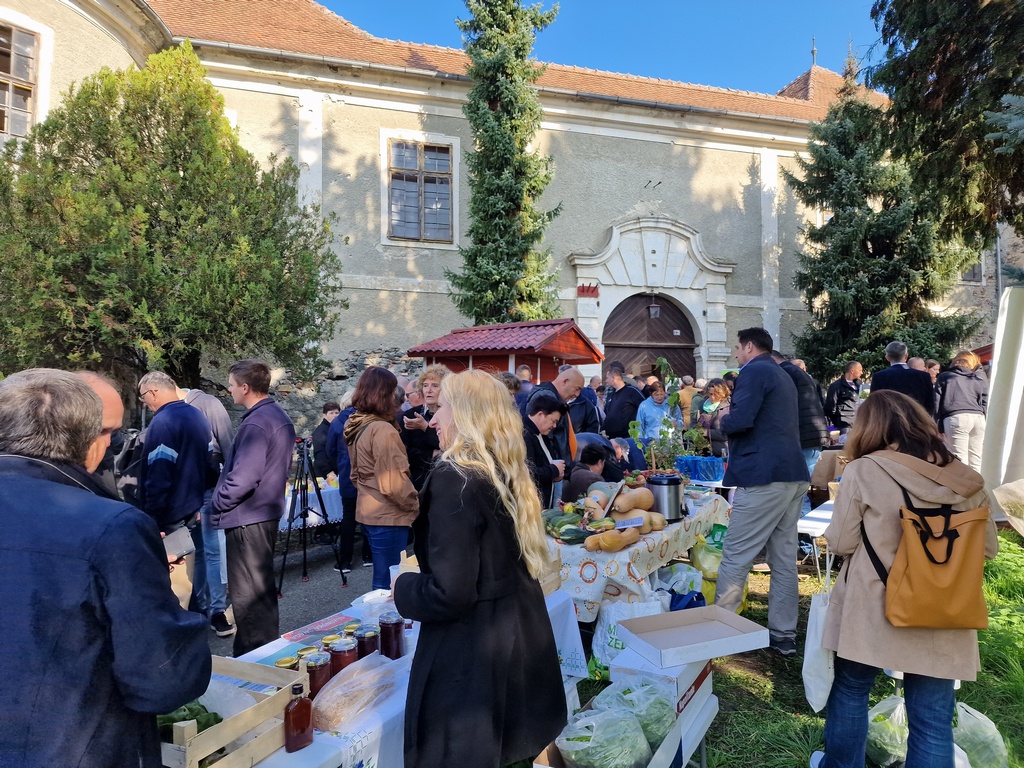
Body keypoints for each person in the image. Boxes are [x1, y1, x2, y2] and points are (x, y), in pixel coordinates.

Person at [0, 369, 211, 767]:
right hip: (78, 749)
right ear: (89, 440)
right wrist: (158, 592)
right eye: (108, 433)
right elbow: (164, 682)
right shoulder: (112, 527)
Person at [813, 390, 998, 768]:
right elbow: (988, 549)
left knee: (851, 690)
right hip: (944, 606)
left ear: (868, 428)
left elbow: (842, 542)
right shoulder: (966, 478)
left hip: (873, 603)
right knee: (932, 717)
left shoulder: (864, 470)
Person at [393, 370, 567, 767]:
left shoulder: (456, 478)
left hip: (472, 651)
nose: (434, 420)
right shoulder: (501, 468)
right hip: (516, 634)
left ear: (466, 415)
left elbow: (452, 592)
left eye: (441, 408)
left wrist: (404, 587)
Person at [715, 328, 809, 656]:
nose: (735, 353)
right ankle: (783, 635)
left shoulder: (754, 372)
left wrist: (722, 418)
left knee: (736, 554)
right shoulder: (783, 373)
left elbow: (741, 420)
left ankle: (723, 633)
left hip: (764, 476)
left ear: (750, 347)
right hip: (792, 473)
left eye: (737, 347)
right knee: (783, 559)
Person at [211, 359, 296, 656]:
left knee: (248, 597)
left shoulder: (257, 422)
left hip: (248, 517)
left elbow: (244, 477)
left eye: (232, 385)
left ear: (245, 387)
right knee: (259, 591)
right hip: (261, 514)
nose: (230, 390)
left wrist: (217, 503)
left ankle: (254, 660)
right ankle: (264, 655)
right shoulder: (276, 415)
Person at [137, 370, 214, 609]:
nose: (144, 403)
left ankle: (183, 621)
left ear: (153, 392)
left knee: (173, 583)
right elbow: (210, 464)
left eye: (143, 397)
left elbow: (159, 473)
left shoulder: (163, 422)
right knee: (195, 570)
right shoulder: (197, 416)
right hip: (193, 508)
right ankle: (201, 615)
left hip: (169, 515)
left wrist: (153, 519)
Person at [344, 366, 419, 590]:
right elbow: (393, 483)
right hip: (387, 514)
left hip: (370, 509)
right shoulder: (382, 430)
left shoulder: (359, 424)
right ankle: (385, 615)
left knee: (383, 579)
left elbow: (355, 474)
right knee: (389, 583)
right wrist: (415, 505)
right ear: (384, 394)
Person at [178, 382, 237, 637]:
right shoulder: (169, 412)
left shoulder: (207, 403)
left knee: (211, 551)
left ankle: (217, 611)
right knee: (197, 552)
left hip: (208, 489)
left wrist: (230, 487)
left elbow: (228, 446)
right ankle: (200, 608)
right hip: (186, 494)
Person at [770, 351, 830, 498]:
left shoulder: (785, 374)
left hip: (802, 438)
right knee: (800, 491)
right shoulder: (800, 375)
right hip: (813, 435)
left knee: (797, 494)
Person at [325, 391, 372, 573]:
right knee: (368, 514)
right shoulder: (367, 419)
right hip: (366, 474)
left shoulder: (337, 422)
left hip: (346, 473)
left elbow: (330, 450)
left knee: (348, 518)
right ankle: (368, 555)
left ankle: (345, 561)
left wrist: (339, 467)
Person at [524, 366, 584, 499]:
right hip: (547, 479)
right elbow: (530, 471)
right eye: (577, 388)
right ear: (565, 381)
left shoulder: (554, 398)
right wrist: (554, 470)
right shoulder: (546, 396)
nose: (577, 394)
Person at [935, 351, 987, 472]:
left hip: (956, 417)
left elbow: (937, 402)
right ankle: (979, 483)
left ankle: (962, 484)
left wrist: (938, 426)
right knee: (976, 458)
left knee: (959, 458)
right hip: (978, 417)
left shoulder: (945, 377)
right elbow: (984, 401)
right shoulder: (977, 378)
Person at [401, 365, 450, 491]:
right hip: (418, 482)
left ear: (445, 389)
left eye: (435, 386)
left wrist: (426, 428)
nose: (429, 390)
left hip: (446, 481)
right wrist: (431, 454)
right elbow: (403, 452)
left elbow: (451, 445)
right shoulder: (409, 415)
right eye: (425, 385)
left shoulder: (452, 415)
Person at [522, 392, 567, 508]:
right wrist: (554, 470)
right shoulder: (525, 436)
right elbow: (528, 473)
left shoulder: (543, 434)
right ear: (540, 415)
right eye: (553, 421)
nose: (554, 426)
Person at [870, 341, 935, 415]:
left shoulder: (879, 377)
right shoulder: (923, 376)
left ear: (887, 358)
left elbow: (874, 404)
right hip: (916, 419)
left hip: (889, 419)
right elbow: (930, 404)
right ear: (906, 356)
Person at [603, 361, 644, 438]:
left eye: (607, 378)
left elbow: (644, 407)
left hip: (626, 437)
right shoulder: (611, 395)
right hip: (611, 437)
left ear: (613, 378)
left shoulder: (631, 391)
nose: (606, 381)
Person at [825, 361, 863, 436]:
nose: (862, 373)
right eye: (860, 370)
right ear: (852, 371)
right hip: (843, 425)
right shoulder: (836, 386)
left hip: (857, 424)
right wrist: (835, 426)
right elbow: (830, 407)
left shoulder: (859, 385)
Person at [695, 378, 731, 457]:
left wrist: (707, 432)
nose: (713, 397)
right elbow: (695, 425)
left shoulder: (729, 407)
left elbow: (728, 434)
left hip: (721, 452)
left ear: (723, 393)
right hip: (703, 453)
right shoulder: (703, 405)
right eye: (710, 394)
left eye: (716, 394)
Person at [311, 401, 340, 479]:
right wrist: (328, 471)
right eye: (331, 413)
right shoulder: (321, 431)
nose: (334, 415)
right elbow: (320, 454)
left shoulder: (337, 428)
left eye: (336, 413)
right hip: (326, 473)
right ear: (325, 415)